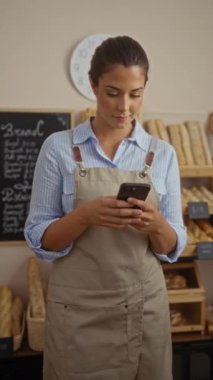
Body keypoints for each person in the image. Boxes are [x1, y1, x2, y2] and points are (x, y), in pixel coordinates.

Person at [24, 35, 187, 380]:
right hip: (77, 314)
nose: (124, 107)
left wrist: (156, 224)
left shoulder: (162, 155)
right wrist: (84, 215)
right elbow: (40, 239)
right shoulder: (58, 148)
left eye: (135, 94)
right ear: (93, 85)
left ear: (145, 88)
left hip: (145, 310)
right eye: (113, 93)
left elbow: (172, 246)